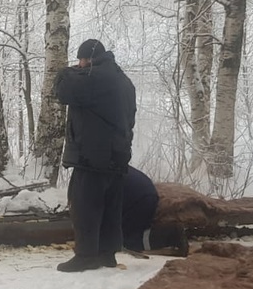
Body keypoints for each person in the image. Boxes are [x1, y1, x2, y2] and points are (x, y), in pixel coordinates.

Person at [54, 38, 137, 272]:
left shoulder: (94, 78)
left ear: (87, 60)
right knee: (111, 205)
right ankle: (106, 254)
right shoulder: (123, 80)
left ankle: (86, 255)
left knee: (84, 205)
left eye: (80, 60)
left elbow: (62, 89)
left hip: (93, 154)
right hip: (118, 153)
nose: (78, 65)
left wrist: (65, 71)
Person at [120, 166, 190, 256]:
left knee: (128, 241)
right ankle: (169, 233)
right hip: (143, 194)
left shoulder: (102, 173)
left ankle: (172, 235)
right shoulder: (111, 165)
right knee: (128, 232)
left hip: (139, 200)